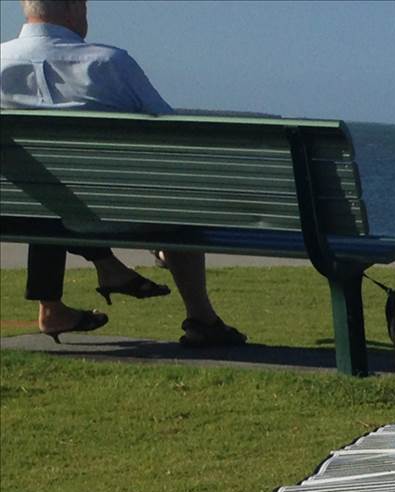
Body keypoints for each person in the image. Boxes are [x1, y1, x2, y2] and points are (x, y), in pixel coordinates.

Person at [1, 0, 245, 346]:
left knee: (42, 188)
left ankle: (76, 291)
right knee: (180, 208)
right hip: (117, 213)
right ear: (74, 8)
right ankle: (201, 318)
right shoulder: (109, 63)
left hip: (25, 215)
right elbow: (176, 136)